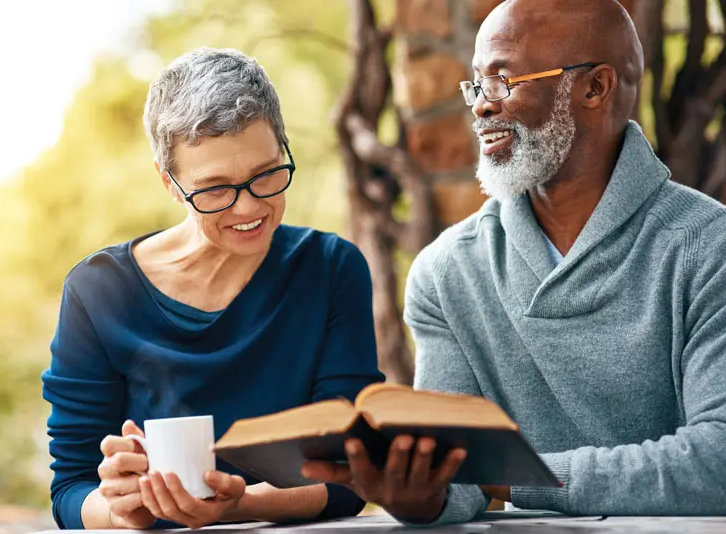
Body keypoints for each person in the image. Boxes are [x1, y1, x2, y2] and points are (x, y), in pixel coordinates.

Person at [302, 0, 726, 524]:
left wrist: (513, 474)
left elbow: (717, 461)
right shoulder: (445, 273)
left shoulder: (709, 246)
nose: (481, 106)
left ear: (595, 88)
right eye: (476, 85)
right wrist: (416, 495)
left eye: (503, 80)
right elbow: (456, 484)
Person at [41, 47, 383, 530]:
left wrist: (237, 504)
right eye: (216, 188)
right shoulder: (98, 292)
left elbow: (350, 475)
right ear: (171, 183)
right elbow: (71, 489)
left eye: (266, 174)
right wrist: (122, 512)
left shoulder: (329, 270)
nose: (248, 208)